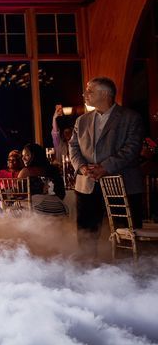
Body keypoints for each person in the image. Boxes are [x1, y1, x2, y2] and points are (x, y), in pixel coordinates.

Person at [69, 77, 145, 247]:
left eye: (90, 91)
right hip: (87, 183)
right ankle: (87, 270)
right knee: (86, 235)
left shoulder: (130, 118)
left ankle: (126, 271)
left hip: (122, 183)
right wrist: (81, 167)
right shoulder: (82, 120)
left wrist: (104, 167)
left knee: (125, 235)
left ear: (105, 94)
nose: (84, 94)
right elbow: (73, 147)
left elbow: (131, 149)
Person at [19, 142, 67, 216]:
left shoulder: (25, 172)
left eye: (27, 155)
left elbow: (19, 194)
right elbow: (62, 194)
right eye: (22, 155)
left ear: (35, 156)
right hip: (60, 209)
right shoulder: (53, 170)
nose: (23, 158)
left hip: (39, 211)